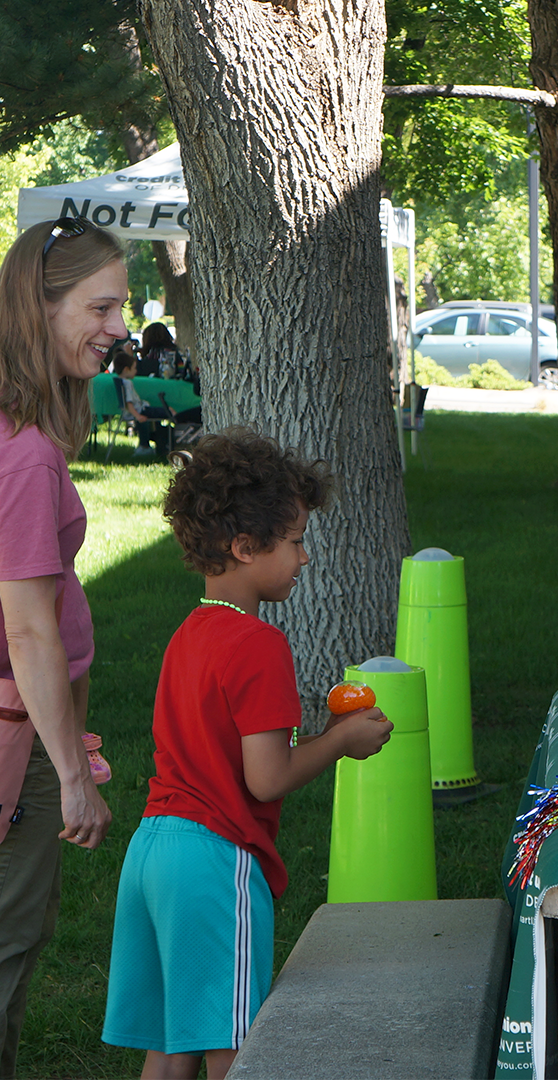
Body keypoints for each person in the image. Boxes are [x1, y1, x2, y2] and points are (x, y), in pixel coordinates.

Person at [101, 429, 393, 1080]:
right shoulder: (260, 644)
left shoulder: (189, 634)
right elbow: (266, 779)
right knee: (238, 1050)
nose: (304, 557)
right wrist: (341, 741)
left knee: (173, 1048)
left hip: (151, 852)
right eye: (294, 541)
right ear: (243, 547)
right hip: (211, 861)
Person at [0, 216, 117, 1079]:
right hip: (16, 742)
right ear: (39, 309)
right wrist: (70, 772)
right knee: (7, 946)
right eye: (100, 306)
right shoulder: (27, 458)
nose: (117, 327)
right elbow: (29, 625)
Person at [113, 352, 178, 458]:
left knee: (164, 412)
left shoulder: (119, 381)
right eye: (134, 368)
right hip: (141, 410)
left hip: (140, 409)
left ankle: (151, 445)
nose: (136, 371)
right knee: (169, 411)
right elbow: (129, 403)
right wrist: (137, 416)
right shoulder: (127, 383)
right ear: (126, 369)